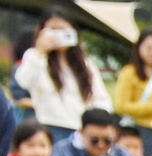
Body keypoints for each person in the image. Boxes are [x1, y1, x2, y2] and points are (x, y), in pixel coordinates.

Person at [13, 9, 112, 144]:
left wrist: (102, 124)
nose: (58, 35)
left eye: (63, 30)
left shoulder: (85, 63)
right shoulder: (35, 56)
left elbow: (100, 97)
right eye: (52, 30)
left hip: (82, 130)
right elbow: (24, 81)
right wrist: (40, 51)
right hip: (51, 126)